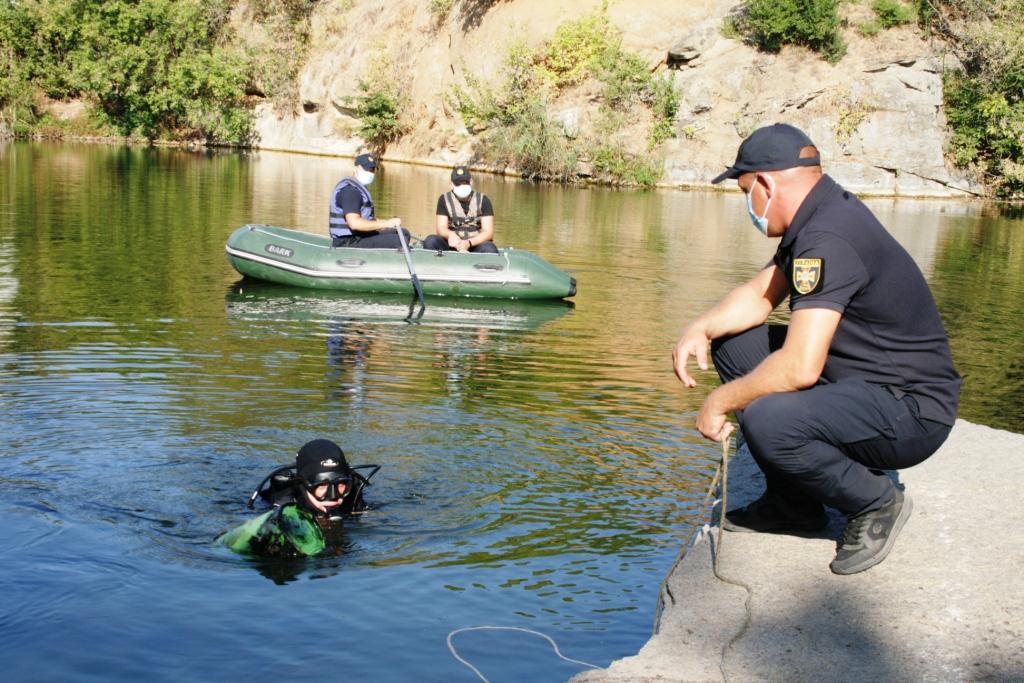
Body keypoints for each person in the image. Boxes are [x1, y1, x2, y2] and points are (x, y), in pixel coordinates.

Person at [672, 123, 960, 575]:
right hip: (863, 383)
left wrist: (719, 401)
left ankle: (875, 502)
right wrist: (701, 328)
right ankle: (794, 505)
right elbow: (759, 296)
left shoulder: (827, 238)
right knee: (733, 344)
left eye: (746, 192)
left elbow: (800, 369)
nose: (748, 206)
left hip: (912, 411)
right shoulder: (819, 214)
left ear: (766, 184)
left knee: (769, 419)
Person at [219, 438, 379, 557]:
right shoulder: (283, 505)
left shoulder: (352, 498)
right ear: (302, 485)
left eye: (341, 485)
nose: (333, 497)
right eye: (321, 485)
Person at [328, 153, 412, 249]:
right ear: (356, 168)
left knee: (403, 233)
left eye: (372, 170)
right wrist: (386, 223)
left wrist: (387, 223)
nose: (370, 172)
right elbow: (355, 224)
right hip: (347, 242)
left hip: (360, 236)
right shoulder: (350, 192)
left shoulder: (359, 189)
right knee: (399, 240)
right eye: (367, 169)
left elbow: (367, 219)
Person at [423, 166, 499, 254]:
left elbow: (488, 232)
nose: (462, 186)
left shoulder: (484, 200)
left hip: (475, 244)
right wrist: (450, 235)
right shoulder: (444, 199)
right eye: (458, 184)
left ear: (471, 182)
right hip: (452, 244)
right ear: (451, 184)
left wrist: (469, 243)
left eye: (465, 183)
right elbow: (441, 227)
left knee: (489, 248)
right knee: (430, 241)